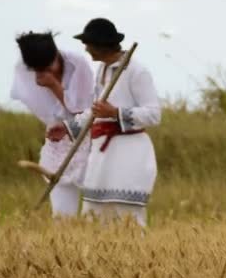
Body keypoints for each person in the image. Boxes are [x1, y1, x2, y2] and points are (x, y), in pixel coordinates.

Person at [47, 18, 161, 227]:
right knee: (95, 215)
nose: (85, 48)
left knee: (127, 217)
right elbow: (96, 110)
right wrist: (67, 127)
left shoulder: (136, 71)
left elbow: (154, 114)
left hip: (129, 154)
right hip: (102, 156)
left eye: (88, 43)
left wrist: (116, 112)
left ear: (100, 45)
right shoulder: (102, 70)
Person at [10, 31, 93, 218]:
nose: (43, 74)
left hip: (88, 135)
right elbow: (47, 111)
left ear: (56, 55)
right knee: (62, 212)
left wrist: (54, 85)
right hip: (57, 140)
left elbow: (81, 111)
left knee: (96, 206)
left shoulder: (77, 65)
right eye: (37, 70)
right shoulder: (24, 70)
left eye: (48, 67)